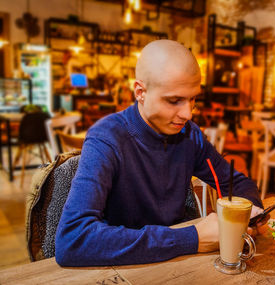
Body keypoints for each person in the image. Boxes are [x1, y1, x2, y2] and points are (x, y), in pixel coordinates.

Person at [55, 40, 264, 267]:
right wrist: (192, 239)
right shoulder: (106, 138)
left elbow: (237, 183)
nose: (187, 114)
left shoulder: (190, 135)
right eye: (174, 101)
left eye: (193, 99)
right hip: (122, 267)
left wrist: (250, 213)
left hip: (177, 263)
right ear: (140, 92)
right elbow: (73, 240)